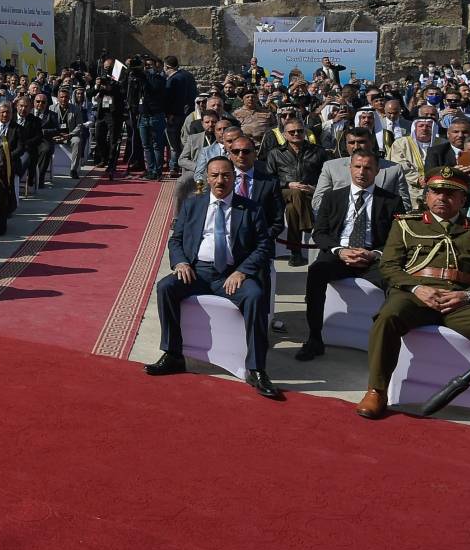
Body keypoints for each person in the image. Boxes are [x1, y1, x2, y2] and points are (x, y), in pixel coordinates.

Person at [359, 167, 470, 457]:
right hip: (416, 295)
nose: (442, 198)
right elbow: (389, 267)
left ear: (464, 199)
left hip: (463, 300)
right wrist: (416, 289)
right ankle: (377, 391)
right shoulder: (406, 224)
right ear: (426, 195)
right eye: (436, 191)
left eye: (451, 193)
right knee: (387, 317)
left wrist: (469, 294)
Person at [145, 155, 282, 400]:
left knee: (255, 296)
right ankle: (174, 354)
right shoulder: (193, 204)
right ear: (207, 178)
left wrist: (243, 271)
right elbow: (176, 239)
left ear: (233, 178)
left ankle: (256, 368)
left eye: (226, 175)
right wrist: (181, 262)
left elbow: (264, 246)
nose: (220, 180)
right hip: (197, 272)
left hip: (232, 274)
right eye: (215, 175)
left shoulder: (250, 209)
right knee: (166, 287)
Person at [297, 149, 399, 360]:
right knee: (316, 272)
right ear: (350, 168)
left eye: (368, 168)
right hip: (339, 255)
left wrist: (375, 254)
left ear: (377, 171)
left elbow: (396, 239)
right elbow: (320, 233)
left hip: (372, 258)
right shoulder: (333, 196)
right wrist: (340, 250)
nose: (362, 172)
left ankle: (385, 344)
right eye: (358, 167)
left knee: (395, 284)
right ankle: (314, 338)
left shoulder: (391, 201)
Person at [268, 117, 328, 266]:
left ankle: (295, 253)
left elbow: (326, 175)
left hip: (310, 192)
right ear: (285, 134)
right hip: (283, 192)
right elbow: (269, 178)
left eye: (300, 131)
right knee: (295, 192)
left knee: (291, 210)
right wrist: (289, 184)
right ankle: (309, 225)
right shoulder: (275, 153)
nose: (296, 134)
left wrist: (314, 187)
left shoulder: (318, 151)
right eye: (292, 131)